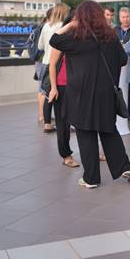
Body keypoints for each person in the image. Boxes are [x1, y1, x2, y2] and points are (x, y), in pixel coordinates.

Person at [50, 0, 130, 189]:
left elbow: (54, 40)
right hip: (105, 92)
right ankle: (124, 166)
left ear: (79, 17)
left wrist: (71, 25)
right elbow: (123, 60)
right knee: (108, 129)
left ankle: (91, 178)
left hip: (80, 94)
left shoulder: (76, 36)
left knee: (86, 132)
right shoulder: (111, 36)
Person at [47, 12, 79, 168]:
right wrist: (53, 88)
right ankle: (66, 155)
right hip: (62, 86)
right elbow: (52, 64)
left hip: (80, 87)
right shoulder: (63, 40)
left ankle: (91, 151)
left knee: (84, 121)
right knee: (63, 123)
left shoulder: (84, 39)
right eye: (75, 21)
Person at [38, 3, 70, 133]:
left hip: (46, 63)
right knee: (58, 93)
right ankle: (62, 121)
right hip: (58, 64)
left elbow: (40, 46)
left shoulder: (46, 26)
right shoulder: (64, 27)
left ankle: (46, 122)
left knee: (48, 93)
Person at [116, 7, 130, 119]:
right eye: (123, 17)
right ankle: (119, 111)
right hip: (118, 65)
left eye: (127, 17)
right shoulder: (115, 30)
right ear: (119, 18)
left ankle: (128, 113)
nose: (125, 19)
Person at [33, 8, 51, 124]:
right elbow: (41, 46)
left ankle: (41, 114)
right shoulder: (47, 27)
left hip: (39, 60)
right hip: (43, 60)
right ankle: (42, 116)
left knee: (42, 88)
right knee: (43, 89)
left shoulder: (41, 26)